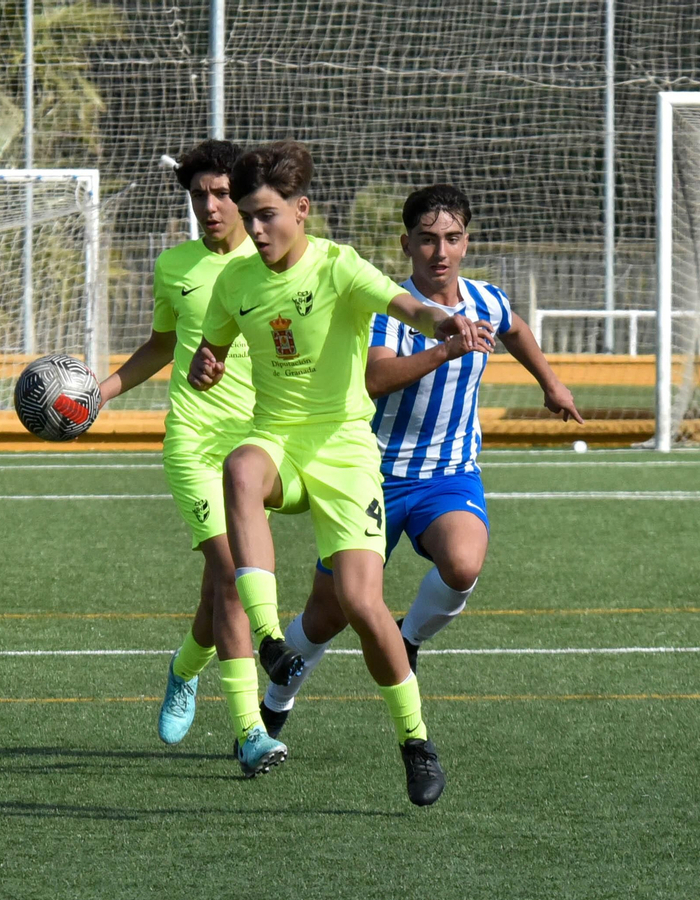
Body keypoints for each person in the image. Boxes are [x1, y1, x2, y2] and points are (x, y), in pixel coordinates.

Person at [189, 142, 491, 801]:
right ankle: (271, 641)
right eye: (248, 216)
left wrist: (448, 323)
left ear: (301, 210)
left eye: (267, 215)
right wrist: (204, 365)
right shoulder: (235, 282)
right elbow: (210, 351)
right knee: (240, 468)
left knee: (360, 604)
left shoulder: (338, 266)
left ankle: (415, 741)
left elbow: (410, 308)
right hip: (277, 440)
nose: (255, 228)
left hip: (345, 451)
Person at [259, 183, 582, 736]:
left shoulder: (486, 299)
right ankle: (275, 699)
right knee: (328, 614)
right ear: (406, 244)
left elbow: (514, 328)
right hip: (371, 477)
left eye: (452, 238)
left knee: (463, 565)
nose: (440, 251)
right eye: (428, 239)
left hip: (450, 475)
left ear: (466, 242)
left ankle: (407, 639)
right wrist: (444, 348)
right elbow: (375, 378)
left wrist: (550, 384)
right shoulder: (387, 307)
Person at [94, 139, 304, 754]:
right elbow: (162, 344)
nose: (209, 207)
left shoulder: (275, 264)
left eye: (220, 194)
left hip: (259, 446)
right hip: (193, 441)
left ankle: (185, 668)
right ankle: (250, 731)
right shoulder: (175, 267)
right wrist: (102, 392)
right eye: (198, 196)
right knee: (235, 572)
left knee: (223, 584)